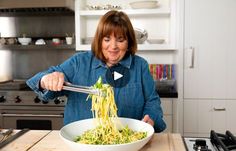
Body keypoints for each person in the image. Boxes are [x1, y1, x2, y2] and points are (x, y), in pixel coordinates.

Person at [26, 10, 166, 132]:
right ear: (99, 41)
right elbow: (40, 80)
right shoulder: (79, 62)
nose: (113, 46)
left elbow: (152, 101)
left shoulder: (140, 66)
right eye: (106, 39)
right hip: (82, 142)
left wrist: (151, 118)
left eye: (120, 40)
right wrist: (46, 80)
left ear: (129, 43)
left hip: (127, 141)